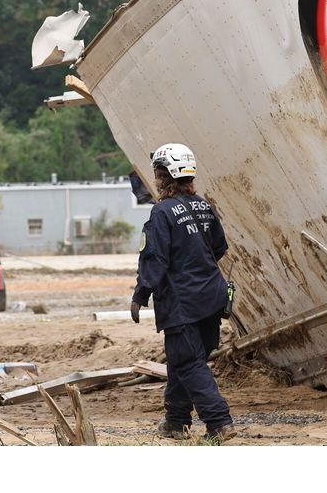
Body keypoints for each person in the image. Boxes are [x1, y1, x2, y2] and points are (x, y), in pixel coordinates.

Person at [130, 143, 235, 443]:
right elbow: (219, 248)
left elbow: (154, 259)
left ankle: (219, 423)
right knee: (183, 361)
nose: (156, 179)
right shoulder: (203, 205)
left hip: (183, 304)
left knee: (189, 363)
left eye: (158, 173)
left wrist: (141, 294)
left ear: (167, 176)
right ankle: (176, 421)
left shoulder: (162, 212)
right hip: (212, 299)